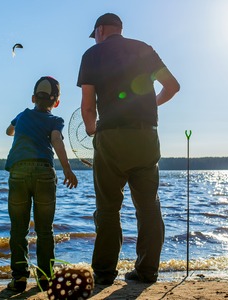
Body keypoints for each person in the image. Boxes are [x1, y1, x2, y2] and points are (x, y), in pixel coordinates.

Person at [77, 13, 180, 285]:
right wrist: (150, 107)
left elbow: (87, 106)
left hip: (110, 137)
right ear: (119, 29)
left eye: (95, 33)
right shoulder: (144, 49)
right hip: (146, 136)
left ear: (100, 30)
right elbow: (172, 86)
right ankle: (147, 272)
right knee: (148, 207)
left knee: (108, 208)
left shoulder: (92, 55)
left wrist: (93, 131)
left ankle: (104, 274)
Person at [5, 76, 78, 293]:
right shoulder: (55, 120)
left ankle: (19, 278)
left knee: (18, 229)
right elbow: (56, 140)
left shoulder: (22, 115)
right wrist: (67, 169)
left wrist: (20, 129)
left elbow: (8, 131)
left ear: (33, 98)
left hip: (18, 171)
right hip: (45, 173)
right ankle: (45, 278)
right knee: (45, 230)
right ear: (56, 103)